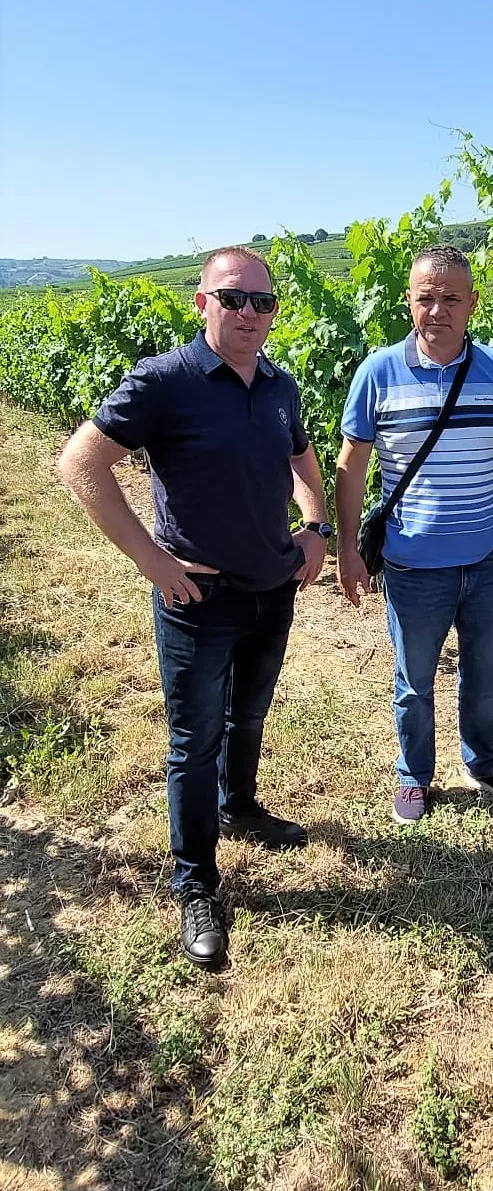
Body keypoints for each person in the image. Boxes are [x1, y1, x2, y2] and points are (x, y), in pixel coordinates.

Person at [58, 246, 330, 970]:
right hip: (198, 598)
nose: (249, 313)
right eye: (232, 297)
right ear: (202, 302)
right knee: (194, 741)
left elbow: (301, 459)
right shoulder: (165, 381)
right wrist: (150, 559)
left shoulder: (278, 384)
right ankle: (196, 884)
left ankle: (240, 805)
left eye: (262, 302)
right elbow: (79, 463)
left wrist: (315, 525)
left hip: (272, 588)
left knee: (250, 714)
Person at [335, 245, 493, 824]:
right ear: (409, 301)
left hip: (488, 564)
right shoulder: (378, 373)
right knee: (414, 682)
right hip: (412, 566)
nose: (438, 309)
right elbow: (351, 465)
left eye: (451, 298)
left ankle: (485, 764)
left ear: (472, 302)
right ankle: (414, 775)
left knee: (485, 677)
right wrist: (346, 548)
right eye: (426, 297)